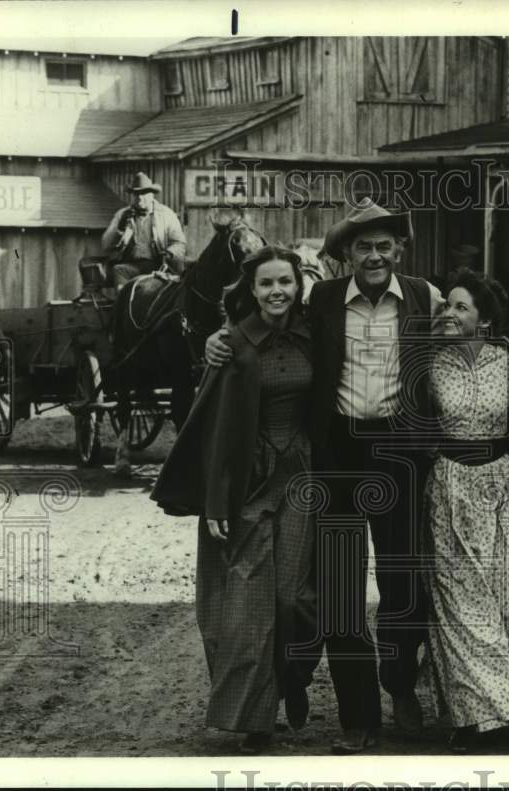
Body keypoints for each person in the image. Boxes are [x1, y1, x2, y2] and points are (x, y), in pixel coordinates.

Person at [205, 198, 444, 754]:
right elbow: (270, 320)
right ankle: (359, 718)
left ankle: (401, 685)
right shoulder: (325, 300)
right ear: (344, 256)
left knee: (404, 585)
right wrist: (222, 339)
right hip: (336, 455)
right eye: (363, 246)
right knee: (339, 591)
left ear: (400, 251)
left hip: (400, 453)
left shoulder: (423, 298)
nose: (375, 255)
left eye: (385, 245)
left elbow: (467, 332)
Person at [151, 246, 318, 755]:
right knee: (248, 603)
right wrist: (217, 503)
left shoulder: (316, 334)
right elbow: (218, 428)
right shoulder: (234, 344)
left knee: (294, 598)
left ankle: (291, 678)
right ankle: (255, 720)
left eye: (284, 282)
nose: (276, 292)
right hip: (250, 482)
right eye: (265, 283)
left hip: (304, 481)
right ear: (251, 290)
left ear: (298, 285)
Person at [422, 268, 509, 754]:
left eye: (461, 306)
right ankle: (470, 719)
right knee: (457, 605)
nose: (449, 312)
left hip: (501, 483)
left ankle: (504, 704)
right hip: (449, 484)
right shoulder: (426, 363)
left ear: (485, 321)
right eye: (445, 304)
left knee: (504, 599)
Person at [101, 172, 187, 289]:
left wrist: (169, 252)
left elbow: (179, 243)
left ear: (152, 194)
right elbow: (106, 245)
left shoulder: (166, 215)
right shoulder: (123, 215)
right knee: (118, 271)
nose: (140, 198)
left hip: (158, 265)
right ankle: (125, 305)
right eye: (136, 194)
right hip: (132, 266)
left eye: (144, 193)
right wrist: (120, 229)